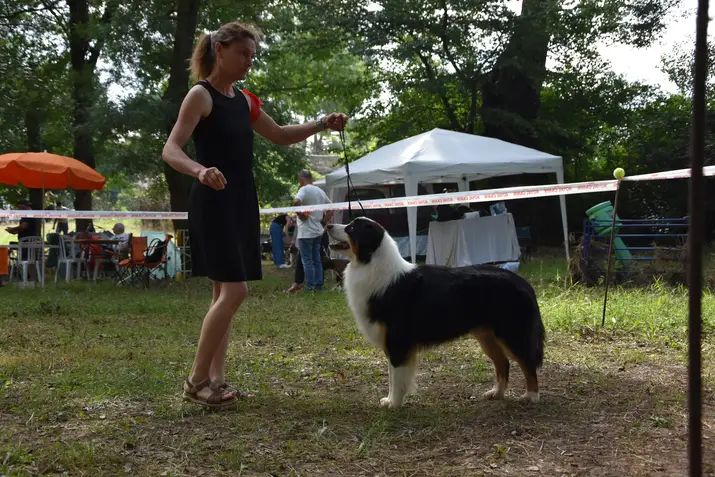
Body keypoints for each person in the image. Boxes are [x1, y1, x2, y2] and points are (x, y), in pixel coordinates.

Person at [161, 21, 347, 409]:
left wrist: (321, 123)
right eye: (243, 54)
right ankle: (196, 382)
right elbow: (171, 149)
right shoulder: (201, 95)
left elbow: (280, 135)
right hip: (213, 202)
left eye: (252, 56)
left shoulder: (245, 100)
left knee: (222, 292)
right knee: (236, 291)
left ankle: (216, 381)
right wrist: (200, 171)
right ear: (220, 50)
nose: (249, 61)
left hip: (241, 201)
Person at [293, 170, 332, 291]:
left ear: (301, 179)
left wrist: (301, 215)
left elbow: (296, 202)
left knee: (307, 260)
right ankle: (318, 285)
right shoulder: (320, 191)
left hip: (306, 232)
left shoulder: (303, 189)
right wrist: (323, 222)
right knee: (316, 259)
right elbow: (331, 208)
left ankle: (310, 286)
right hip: (318, 231)